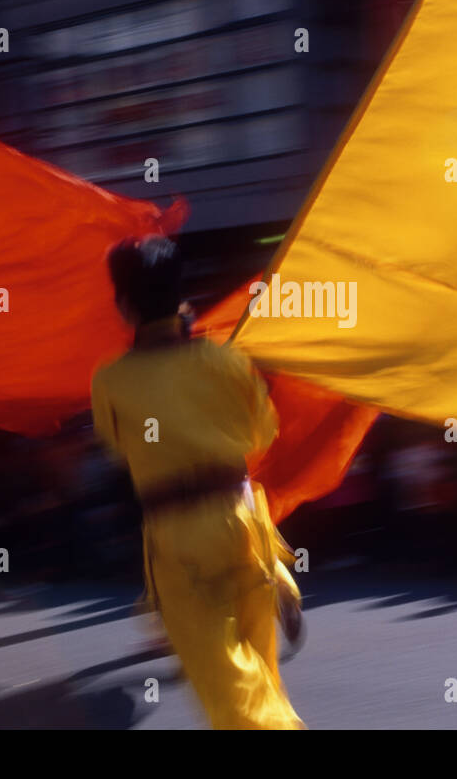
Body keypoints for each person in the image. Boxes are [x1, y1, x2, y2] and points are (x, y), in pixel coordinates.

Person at [91, 236, 304, 729]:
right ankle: (282, 580)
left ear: (125, 305)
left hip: (179, 536)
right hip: (243, 522)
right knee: (259, 674)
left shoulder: (110, 380)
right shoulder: (226, 361)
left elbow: (120, 448)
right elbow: (263, 432)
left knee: (229, 687)